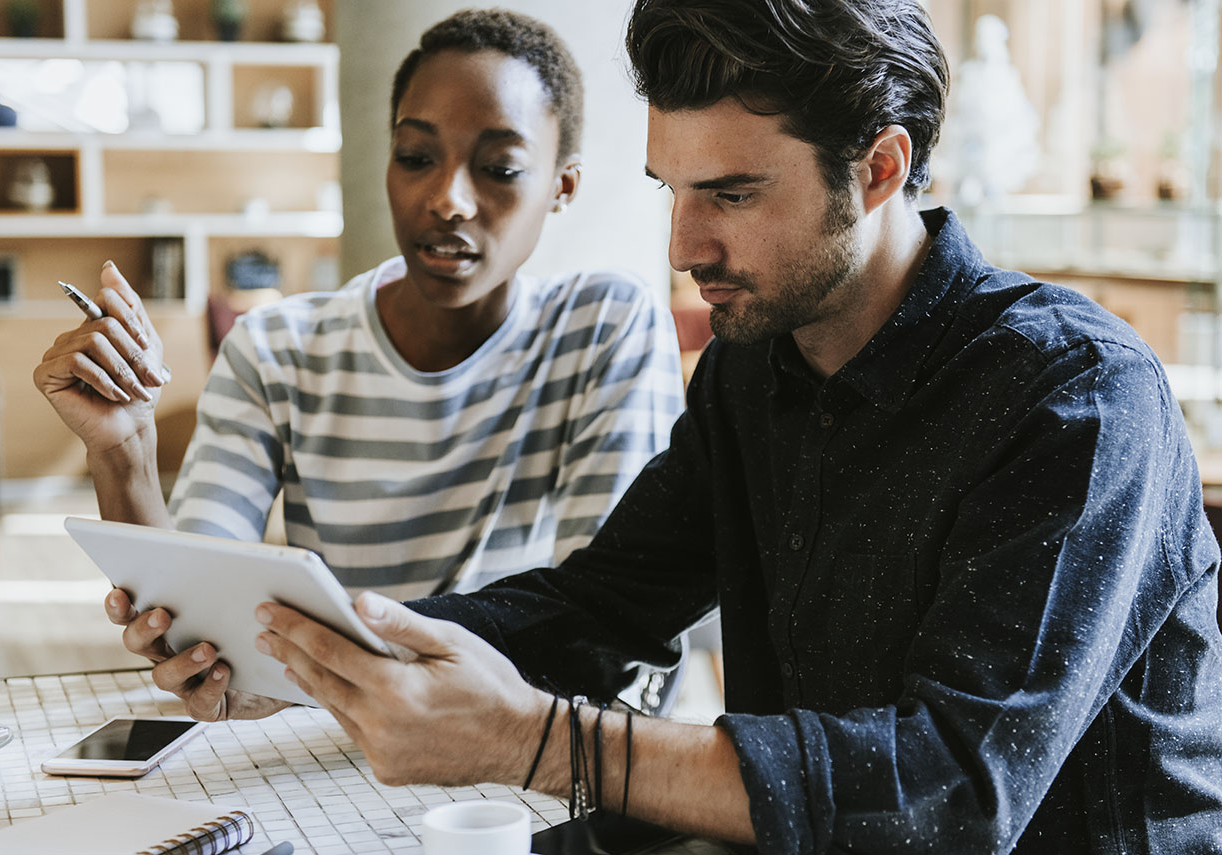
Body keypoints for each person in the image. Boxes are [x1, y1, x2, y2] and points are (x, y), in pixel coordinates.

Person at [121, 0, 1222, 852]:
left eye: (732, 194)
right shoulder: (757, 368)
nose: (685, 244)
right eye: (671, 189)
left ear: (879, 169)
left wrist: (533, 740)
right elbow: (605, 605)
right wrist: (314, 644)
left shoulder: (1075, 398)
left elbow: (953, 793)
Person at [32, 11, 683, 717]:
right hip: (330, 746)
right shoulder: (277, 346)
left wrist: (311, 663)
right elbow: (202, 628)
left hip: (515, 738)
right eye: (415, 156)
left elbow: (603, 625)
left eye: (498, 169)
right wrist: (122, 446)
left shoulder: (602, 326)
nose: (447, 200)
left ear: (562, 186)